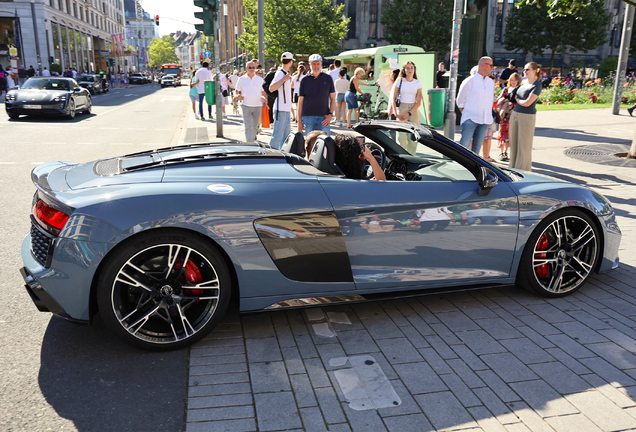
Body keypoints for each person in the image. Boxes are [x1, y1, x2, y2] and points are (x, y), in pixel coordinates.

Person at [456, 57, 495, 155]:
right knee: (464, 147)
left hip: (485, 120)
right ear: (483, 65)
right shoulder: (469, 81)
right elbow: (460, 101)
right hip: (470, 119)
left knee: (476, 150)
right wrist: (467, 114)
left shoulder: (490, 82)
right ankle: (459, 167)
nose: (492, 68)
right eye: (490, 65)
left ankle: (472, 169)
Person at [508, 62, 542, 171]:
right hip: (515, 114)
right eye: (524, 69)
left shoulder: (537, 85)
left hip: (527, 116)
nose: (525, 72)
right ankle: (513, 167)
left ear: (534, 71)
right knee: (513, 142)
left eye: (527, 69)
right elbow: (516, 96)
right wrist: (518, 100)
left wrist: (518, 100)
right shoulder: (523, 82)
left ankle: (523, 170)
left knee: (524, 144)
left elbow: (528, 103)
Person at [297, 54, 336, 135]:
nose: (316, 66)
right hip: (308, 117)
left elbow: (333, 98)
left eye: (318, 64)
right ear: (309, 65)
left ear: (321, 65)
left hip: (324, 117)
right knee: (309, 144)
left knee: (325, 142)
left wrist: (330, 114)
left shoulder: (328, 78)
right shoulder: (304, 80)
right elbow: (300, 102)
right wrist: (299, 121)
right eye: (314, 64)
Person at [235, 60, 268, 142]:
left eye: (253, 67)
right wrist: (237, 96)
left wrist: (264, 98)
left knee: (255, 126)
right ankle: (250, 143)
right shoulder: (241, 79)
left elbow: (263, 92)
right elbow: (236, 92)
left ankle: (252, 140)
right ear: (246, 68)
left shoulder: (259, 79)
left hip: (257, 106)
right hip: (246, 106)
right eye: (250, 67)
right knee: (248, 126)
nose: (252, 69)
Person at [269, 52, 295, 149]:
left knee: (285, 138)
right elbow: (271, 88)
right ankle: (270, 157)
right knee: (277, 137)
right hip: (281, 109)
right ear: (291, 62)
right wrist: (284, 79)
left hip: (285, 109)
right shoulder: (281, 73)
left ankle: (281, 157)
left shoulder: (284, 74)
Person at [496, 72, 521, 162]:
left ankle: (505, 152)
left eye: (515, 80)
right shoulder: (506, 90)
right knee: (502, 133)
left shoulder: (519, 90)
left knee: (510, 135)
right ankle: (501, 152)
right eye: (512, 80)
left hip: (514, 115)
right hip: (504, 116)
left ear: (518, 81)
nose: (513, 82)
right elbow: (499, 100)